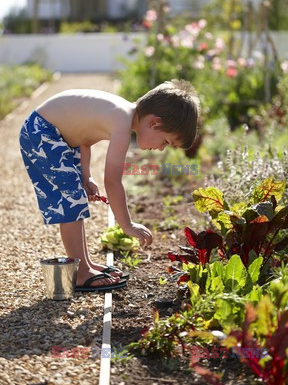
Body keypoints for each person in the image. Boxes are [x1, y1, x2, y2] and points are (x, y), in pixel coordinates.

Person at [19, 79, 200, 292]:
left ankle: (84, 264)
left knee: (75, 193)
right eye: (166, 142)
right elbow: (113, 181)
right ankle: (80, 272)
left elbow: (84, 140)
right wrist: (127, 225)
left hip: (53, 133)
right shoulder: (121, 123)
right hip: (41, 132)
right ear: (154, 123)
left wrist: (86, 177)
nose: (161, 149)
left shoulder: (120, 113)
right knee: (70, 199)